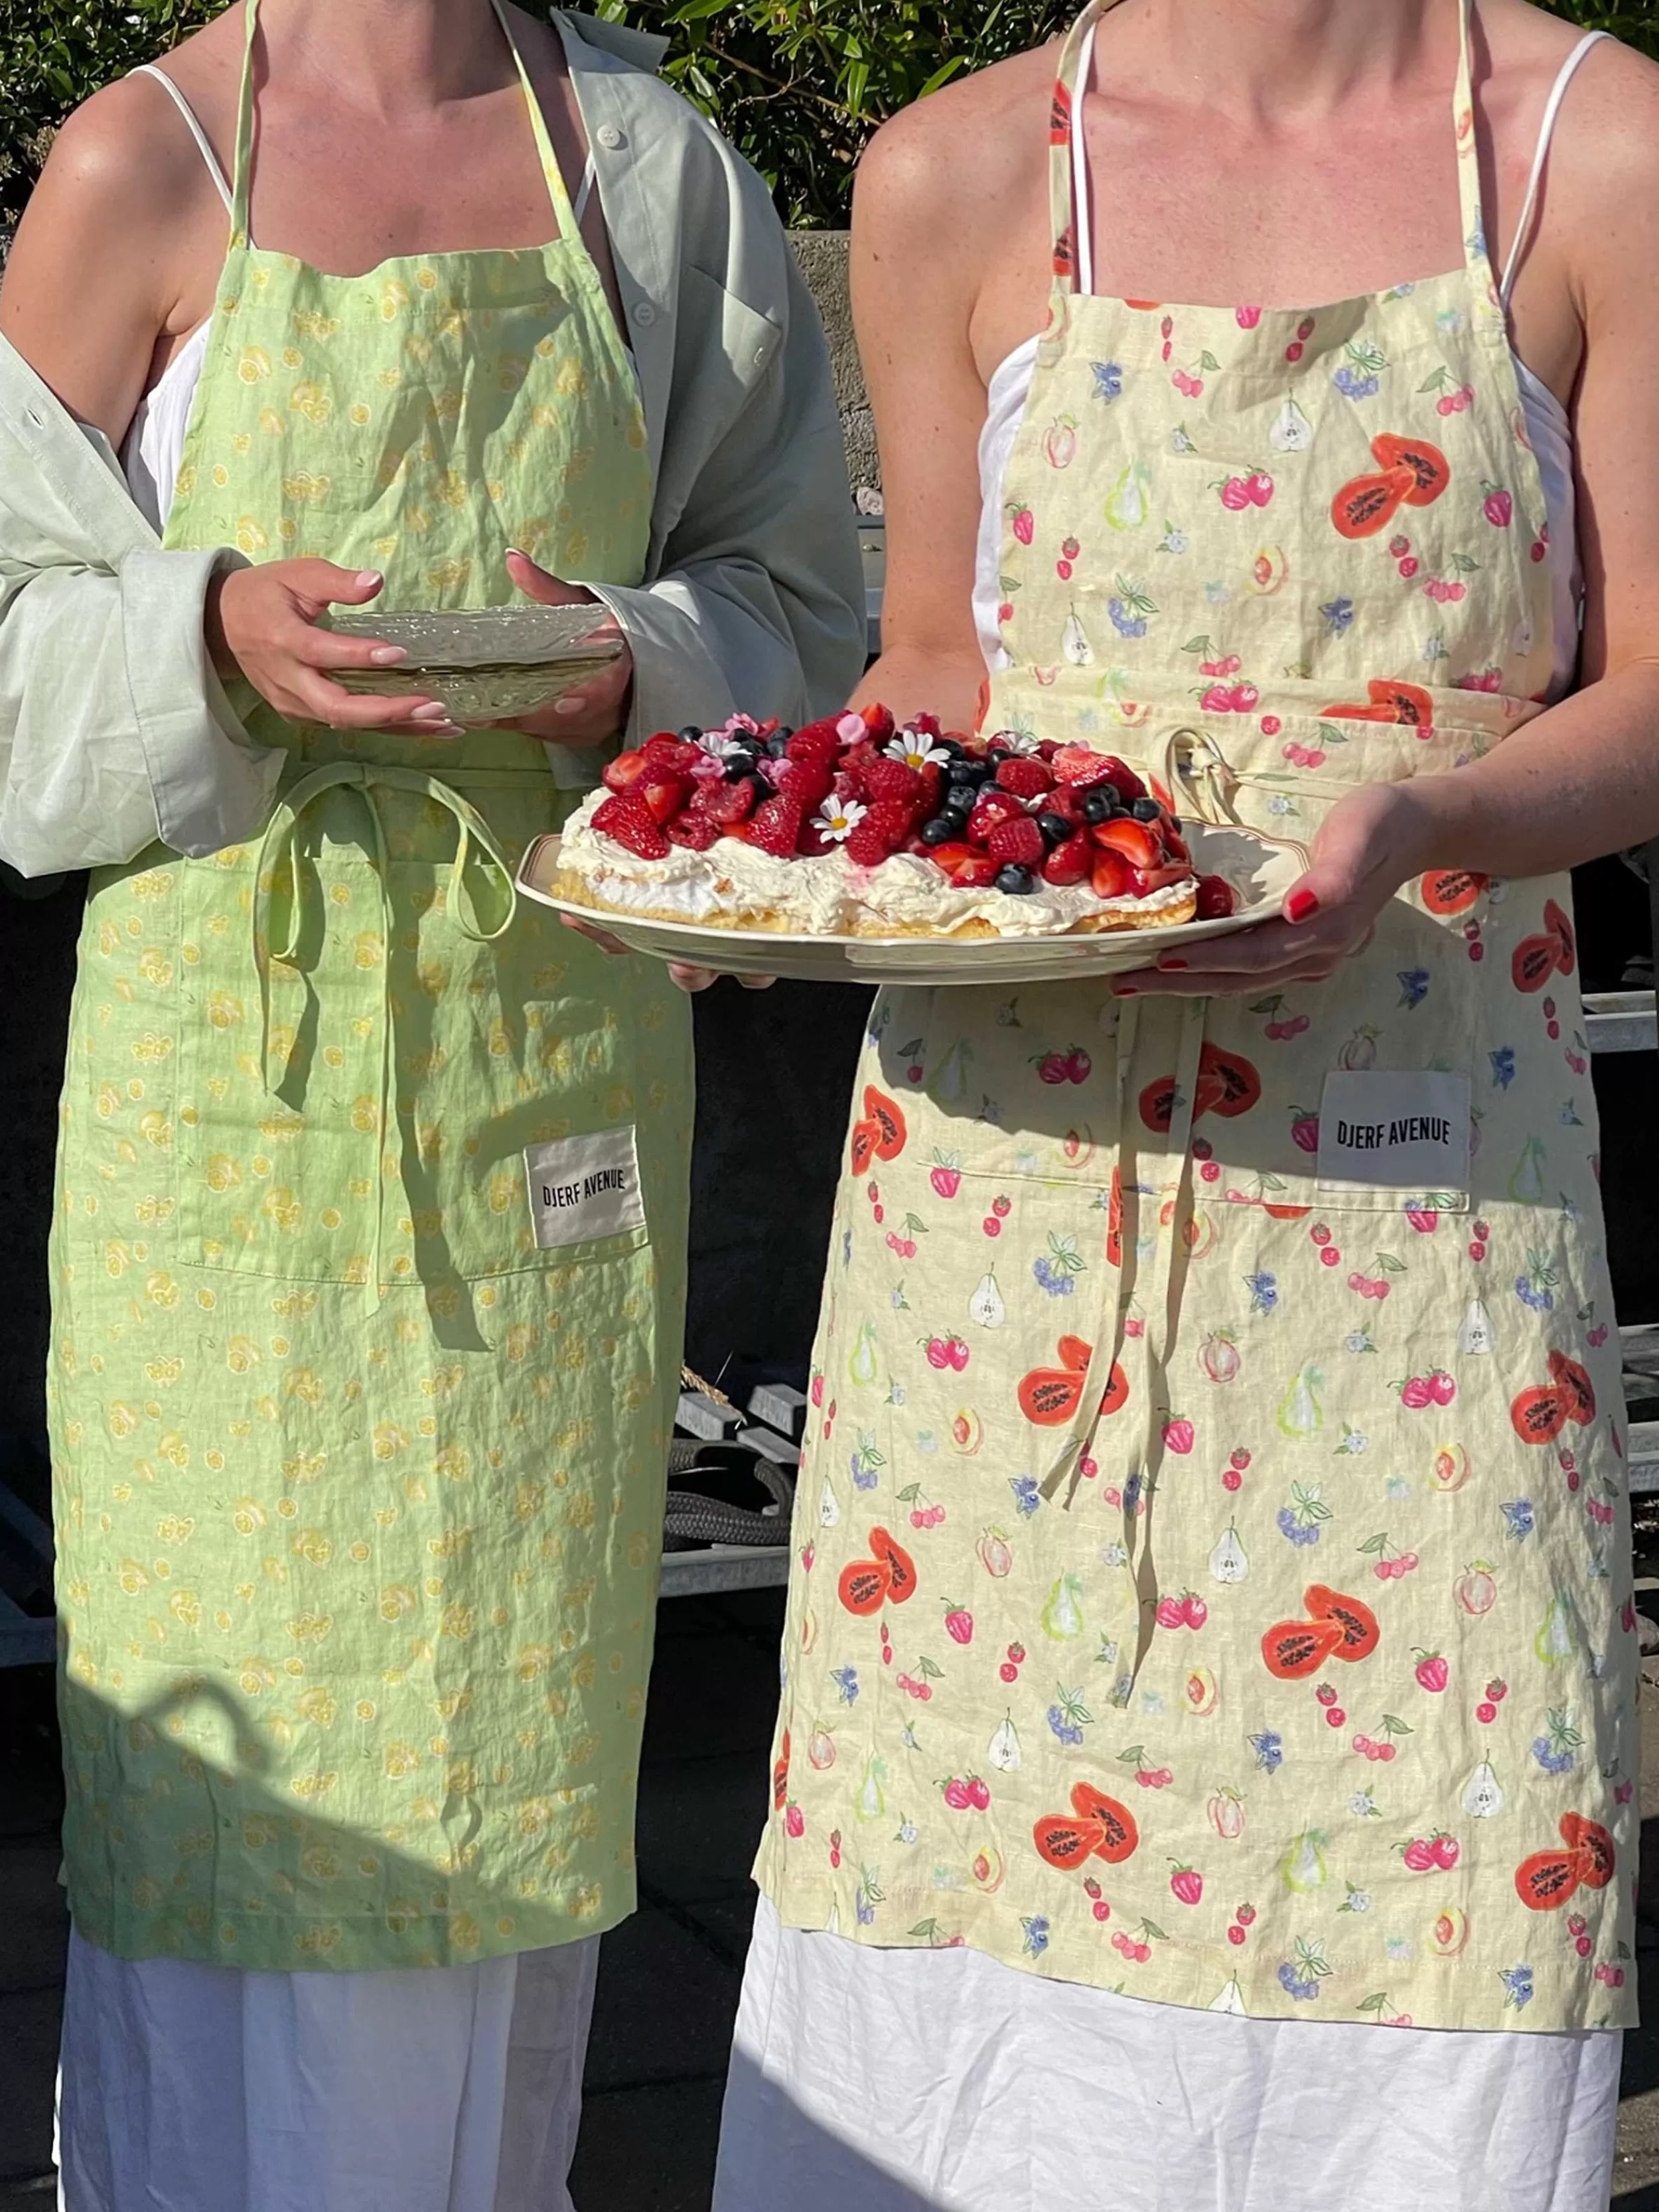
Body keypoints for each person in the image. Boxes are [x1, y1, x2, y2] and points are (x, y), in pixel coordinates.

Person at [713, 1, 1659, 2206]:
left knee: (1439, 1837)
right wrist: (781, 844)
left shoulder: (1589, 147)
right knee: (954, 1838)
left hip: (1420, 1212)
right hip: (1002, 1223)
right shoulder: (958, 170)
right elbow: (935, 666)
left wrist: (1418, 808)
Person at [0, 2, 862, 2205]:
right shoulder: (139, 164)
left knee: (499, 1725)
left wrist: (636, 660)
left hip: (554, 1051)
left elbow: (802, 597)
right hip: (226, 1073)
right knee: (252, 1757)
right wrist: (201, 629)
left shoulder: (654, 169)